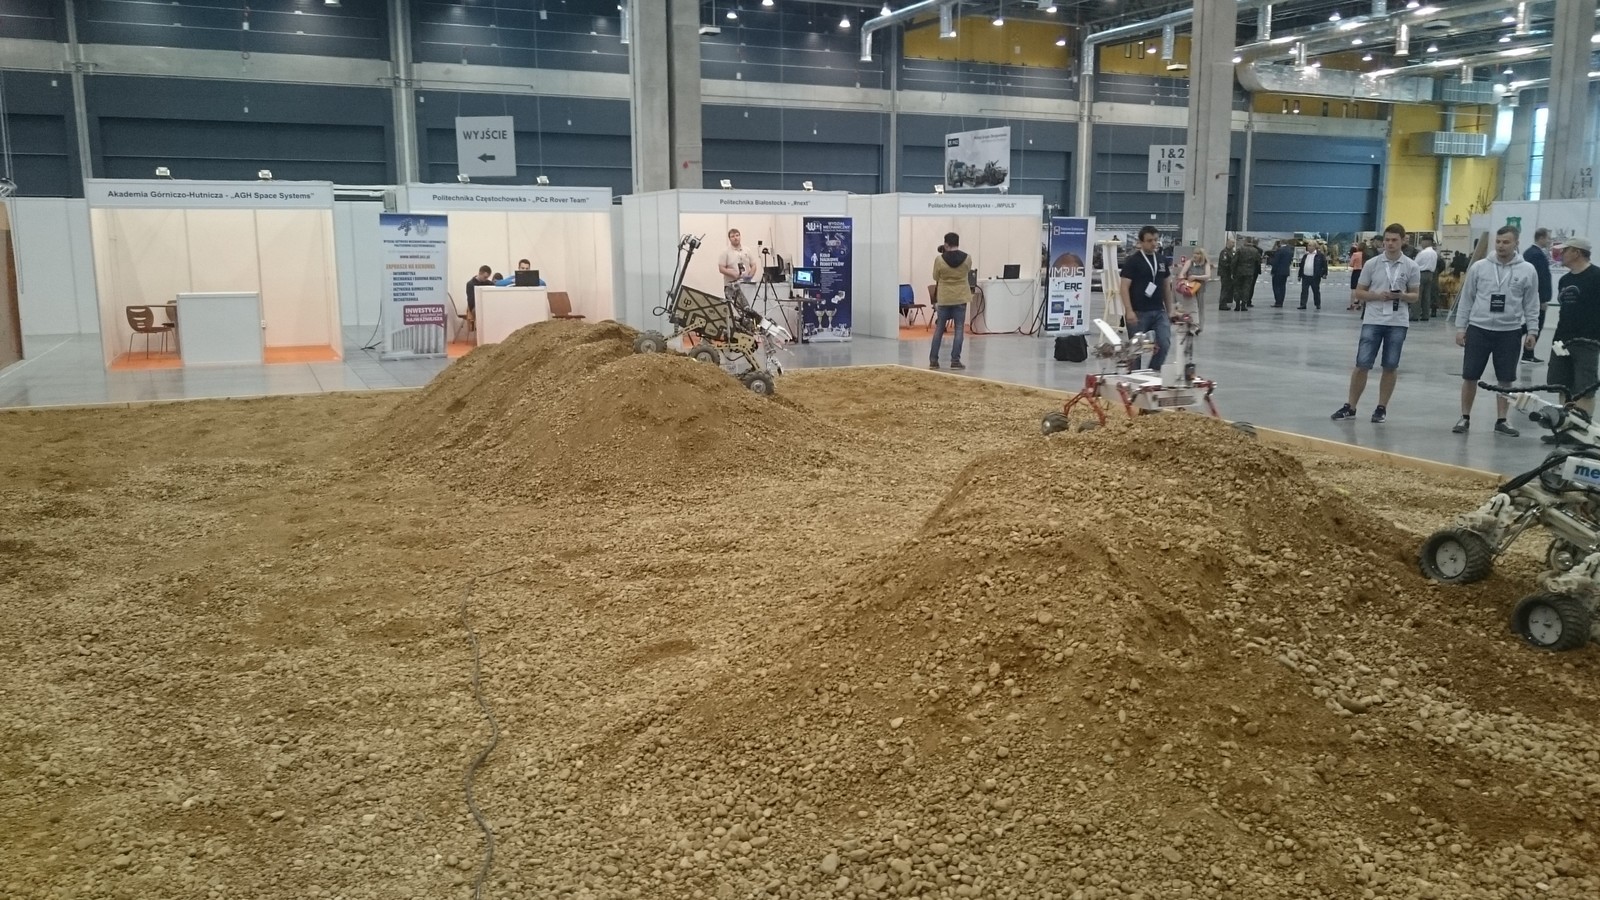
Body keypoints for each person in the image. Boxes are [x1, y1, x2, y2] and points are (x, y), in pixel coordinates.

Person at [1451, 226, 1540, 436]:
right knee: (1470, 375)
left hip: (1509, 331)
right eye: (1498, 241)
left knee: (1506, 378)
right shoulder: (1480, 267)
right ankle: (1465, 417)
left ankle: (1502, 420)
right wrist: (1461, 327)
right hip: (1478, 329)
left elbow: (1531, 303)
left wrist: (1532, 330)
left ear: (1516, 243)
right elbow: (1467, 298)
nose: (1501, 246)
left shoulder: (1527, 270)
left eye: (1506, 242)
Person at [1331, 223, 1421, 424]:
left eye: (1394, 240)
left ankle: (1381, 407)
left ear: (1403, 241)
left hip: (1397, 322)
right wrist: (1377, 296)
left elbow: (1415, 296)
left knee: (1390, 365)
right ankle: (1350, 406)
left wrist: (1401, 296)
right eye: (1387, 240)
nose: (1390, 244)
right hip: (1373, 319)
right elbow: (1359, 292)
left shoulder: (1411, 266)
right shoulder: (1372, 264)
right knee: (1362, 364)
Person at [1546, 237, 1600, 439]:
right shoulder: (1565, 280)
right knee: (1563, 386)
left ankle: (1580, 431)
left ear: (1577, 252)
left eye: (1565, 250)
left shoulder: (1596, 277)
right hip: (1562, 341)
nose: (1561, 255)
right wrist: (1557, 340)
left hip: (1588, 342)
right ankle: (1564, 428)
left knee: (1584, 388)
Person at [1119, 225, 1174, 370]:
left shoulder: (1162, 260)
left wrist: (1170, 310)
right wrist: (1129, 311)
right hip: (1138, 312)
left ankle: (1152, 372)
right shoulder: (1133, 261)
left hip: (1159, 311)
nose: (1154, 243)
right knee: (1135, 350)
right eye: (1149, 240)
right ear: (1141, 242)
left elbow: (1166, 287)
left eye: (1155, 240)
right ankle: (1134, 377)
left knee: (1164, 343)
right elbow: (1124, 287)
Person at [930, 232, 972, 370]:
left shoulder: (939, 259)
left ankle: (933, 360)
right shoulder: (967, 258)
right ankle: (955, 361)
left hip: (944, 298)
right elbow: (967, 272)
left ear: (946, 244)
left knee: (939, 329)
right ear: (958, 243)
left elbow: (935, 276)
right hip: (960, 297)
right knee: (959, 329)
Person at [1173, 248, 1212, 361]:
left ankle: (1200, 327)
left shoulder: (1205, 264)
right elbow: (1182, 273)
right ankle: (1191, 324)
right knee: (1190, 307)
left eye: (1198, 254)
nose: (1195, 255)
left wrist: (1195, 277)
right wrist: (1183, 278)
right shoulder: (1189, 262)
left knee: (1200, 307)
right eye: (1194, 253)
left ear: (1201, 255)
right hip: (1189, 288)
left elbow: (1207, 276)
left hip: (1200, 288)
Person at [1523, 227, 1554, 363]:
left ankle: (1528, 353)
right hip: (1537, 298)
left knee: (1530, 325)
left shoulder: (1530, 252)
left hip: (1533, 297)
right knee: (1535, 326)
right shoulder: (1537, 255)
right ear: (1541, 238)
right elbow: (1540, 279)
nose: (1549, 241)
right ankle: (1528, 354)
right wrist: (1542, 299)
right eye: (1548, 238)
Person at [718, 228, 755, 302]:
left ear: (740, 236)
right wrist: (732, 274)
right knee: (733, 307)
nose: (735, 238)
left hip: (746, 285)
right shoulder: (725, 252)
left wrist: (749, 277)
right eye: (733, 236)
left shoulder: (747, 250)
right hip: (731, 286)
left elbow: (753, 265)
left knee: (747, 306)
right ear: (729, 239)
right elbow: (721, 268)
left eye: (737, 235)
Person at [1413, 237, 1439, 322]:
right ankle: (1425, 315)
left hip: (1421, 274)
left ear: (1427, 242)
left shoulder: (1423, 253)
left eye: (1422, 242)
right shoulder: (1434, 253)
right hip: (1430, 274)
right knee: (1427, 296)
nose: (1421, 244)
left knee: (1417, 295)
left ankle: (1415, 315)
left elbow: (1415, 264)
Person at [1298, 240, 1328, 310]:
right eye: (1308, 245)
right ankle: (1303, 304)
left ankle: (1317, 304)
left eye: (1310, 245)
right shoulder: (1306, 255)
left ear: (1314, 247)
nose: (1308, 247)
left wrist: (1324, 273)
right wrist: (1299, 275)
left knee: (1316, 291)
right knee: (1304, 291)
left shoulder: (1320, 255)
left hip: (1315, 277)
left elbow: (1324, 265)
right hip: (1305, 276)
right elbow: (1302, 266)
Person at [1269, 240, 1294, 307]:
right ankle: (1281, 301)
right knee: (1282, 287)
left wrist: (1272, 270)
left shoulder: (1280, 250)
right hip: (1285, 271)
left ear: (1280, 243)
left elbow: (1276, 262)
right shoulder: (1290, 250)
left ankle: (1278, 301)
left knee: (1276, 287)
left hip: (1278, 271)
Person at [1217, 238, 1237, 311]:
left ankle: (1225, 302)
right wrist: (1232, 266)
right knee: (1225, 289)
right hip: (1225, 273)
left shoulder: (1231, 252)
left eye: (1234, 243)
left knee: (1228, 288)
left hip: (1228, 273)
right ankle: (1222, 304)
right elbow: (1224, 263)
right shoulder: (1224, 252)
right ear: (1228, 242)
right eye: (1232, 242)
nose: (1233, 244)